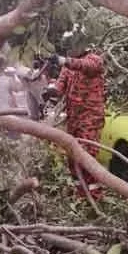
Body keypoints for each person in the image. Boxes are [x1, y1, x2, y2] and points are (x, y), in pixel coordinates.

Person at [51, 29, 107, 200]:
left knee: (87, 155)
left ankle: (94, 196)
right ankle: (80, 194)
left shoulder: (93, 60)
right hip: (74, 119)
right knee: (72, 156)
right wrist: (51, 90)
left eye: (71, 45)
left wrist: (64, 61)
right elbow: (59, 87)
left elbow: (87, 66)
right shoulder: (68, 68)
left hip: (90, 118)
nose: (68, 49)